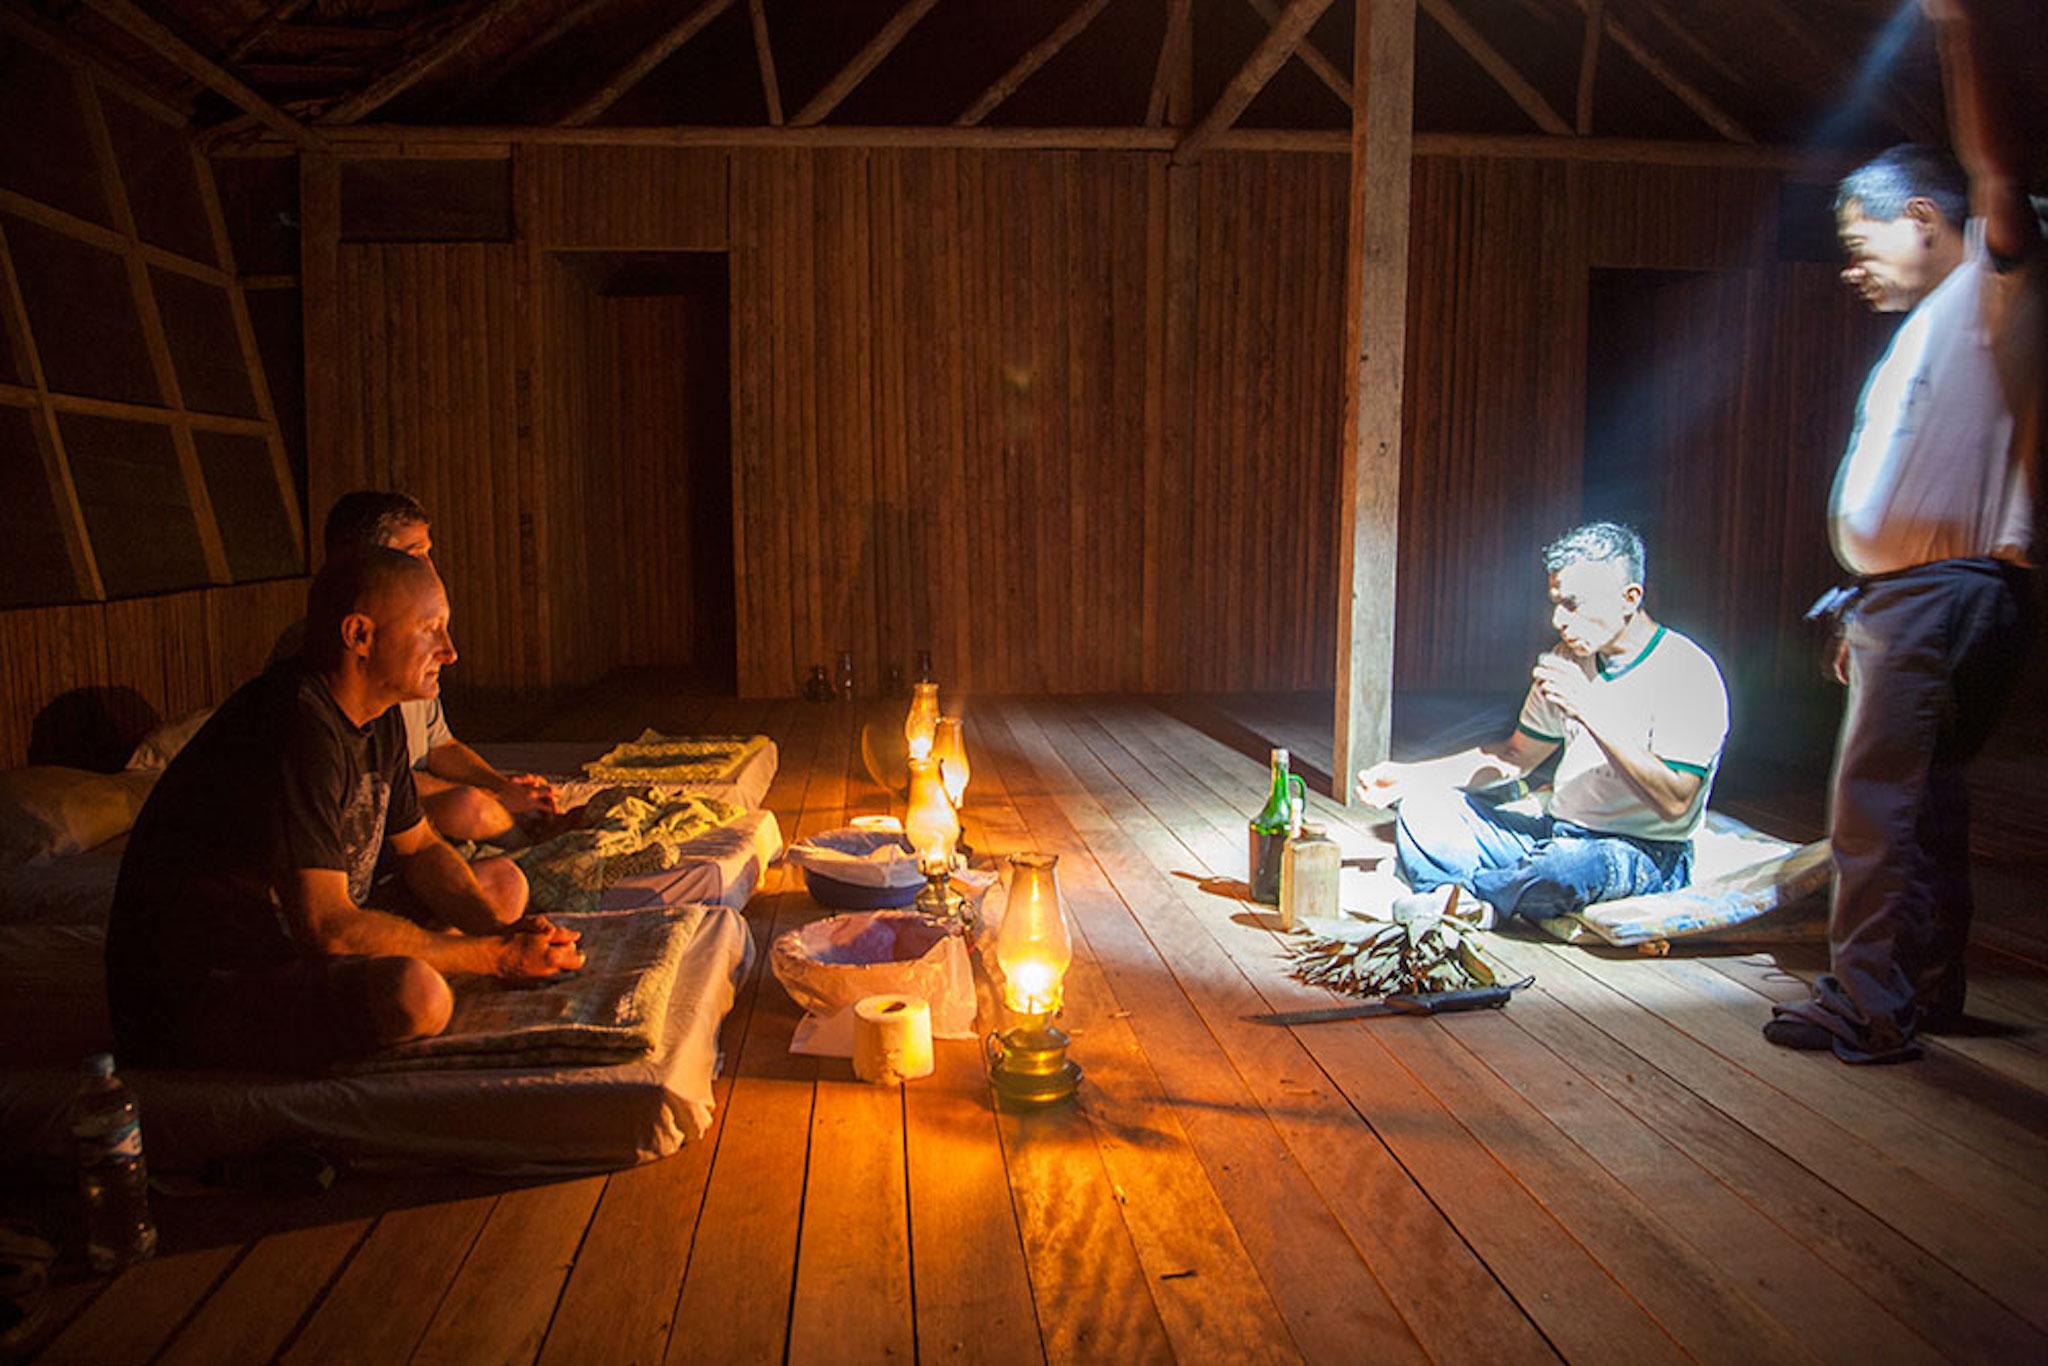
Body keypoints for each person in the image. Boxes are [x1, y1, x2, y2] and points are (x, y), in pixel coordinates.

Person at [1766, 0, 2040, 1062]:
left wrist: (1958, 28)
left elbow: (1999, 177)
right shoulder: (1946, 319)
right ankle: (1919, 986)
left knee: (1873, 807)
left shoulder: (1989, 285)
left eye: (1859, 239)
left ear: (1925, 217)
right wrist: (1864, 595)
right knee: (1919, 805)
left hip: (1941, 590)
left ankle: (1866, 1002)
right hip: (1921, 592)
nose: (1850, 265)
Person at [105, 549, 584, 1071]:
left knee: (501, 887)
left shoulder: (376, 716)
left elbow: (420, 848)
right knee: (416, 996)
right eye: (431, 630)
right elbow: (328, 928)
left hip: (302, 940)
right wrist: (492, 957)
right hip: (209, 985)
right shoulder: (295, 726)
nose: (449, 652)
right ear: (360, 635)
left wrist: (499, 935)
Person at [1357, 522, 1730, 927]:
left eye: (1574, 604)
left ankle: (1457, 893)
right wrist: (1412, 776)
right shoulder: (1568, 661)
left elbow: (1676, 803)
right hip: (1557, 831)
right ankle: (1482, 896)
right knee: (1425, 806)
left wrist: (1589, 709)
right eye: (1556, 602)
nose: (1558, 620)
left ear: (1630, 598)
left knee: (1561, 872)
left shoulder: (1688, 672)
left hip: (1643, 852)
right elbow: (1516, 755)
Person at [277, 491, 559, 843]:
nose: (450, 654)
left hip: (406, 800)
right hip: (374, 813)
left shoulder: (407, 657)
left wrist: (500, 786)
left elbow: (439, 745)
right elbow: (373, 782)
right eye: (414, 556)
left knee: (500, 861)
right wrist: (495, 799)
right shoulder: (332, 661)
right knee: (471, 808)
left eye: (429, 554)